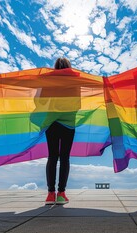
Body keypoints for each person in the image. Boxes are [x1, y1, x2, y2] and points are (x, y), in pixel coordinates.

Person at [45, 57, 76, 205]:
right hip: (68, 124)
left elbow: (40, 101)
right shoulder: (75, 80)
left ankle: (50, 194)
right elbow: (79, 103)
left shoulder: (48, 80)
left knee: (52, 157)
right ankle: (61, 194)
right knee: (64, 158)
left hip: (51, 123)